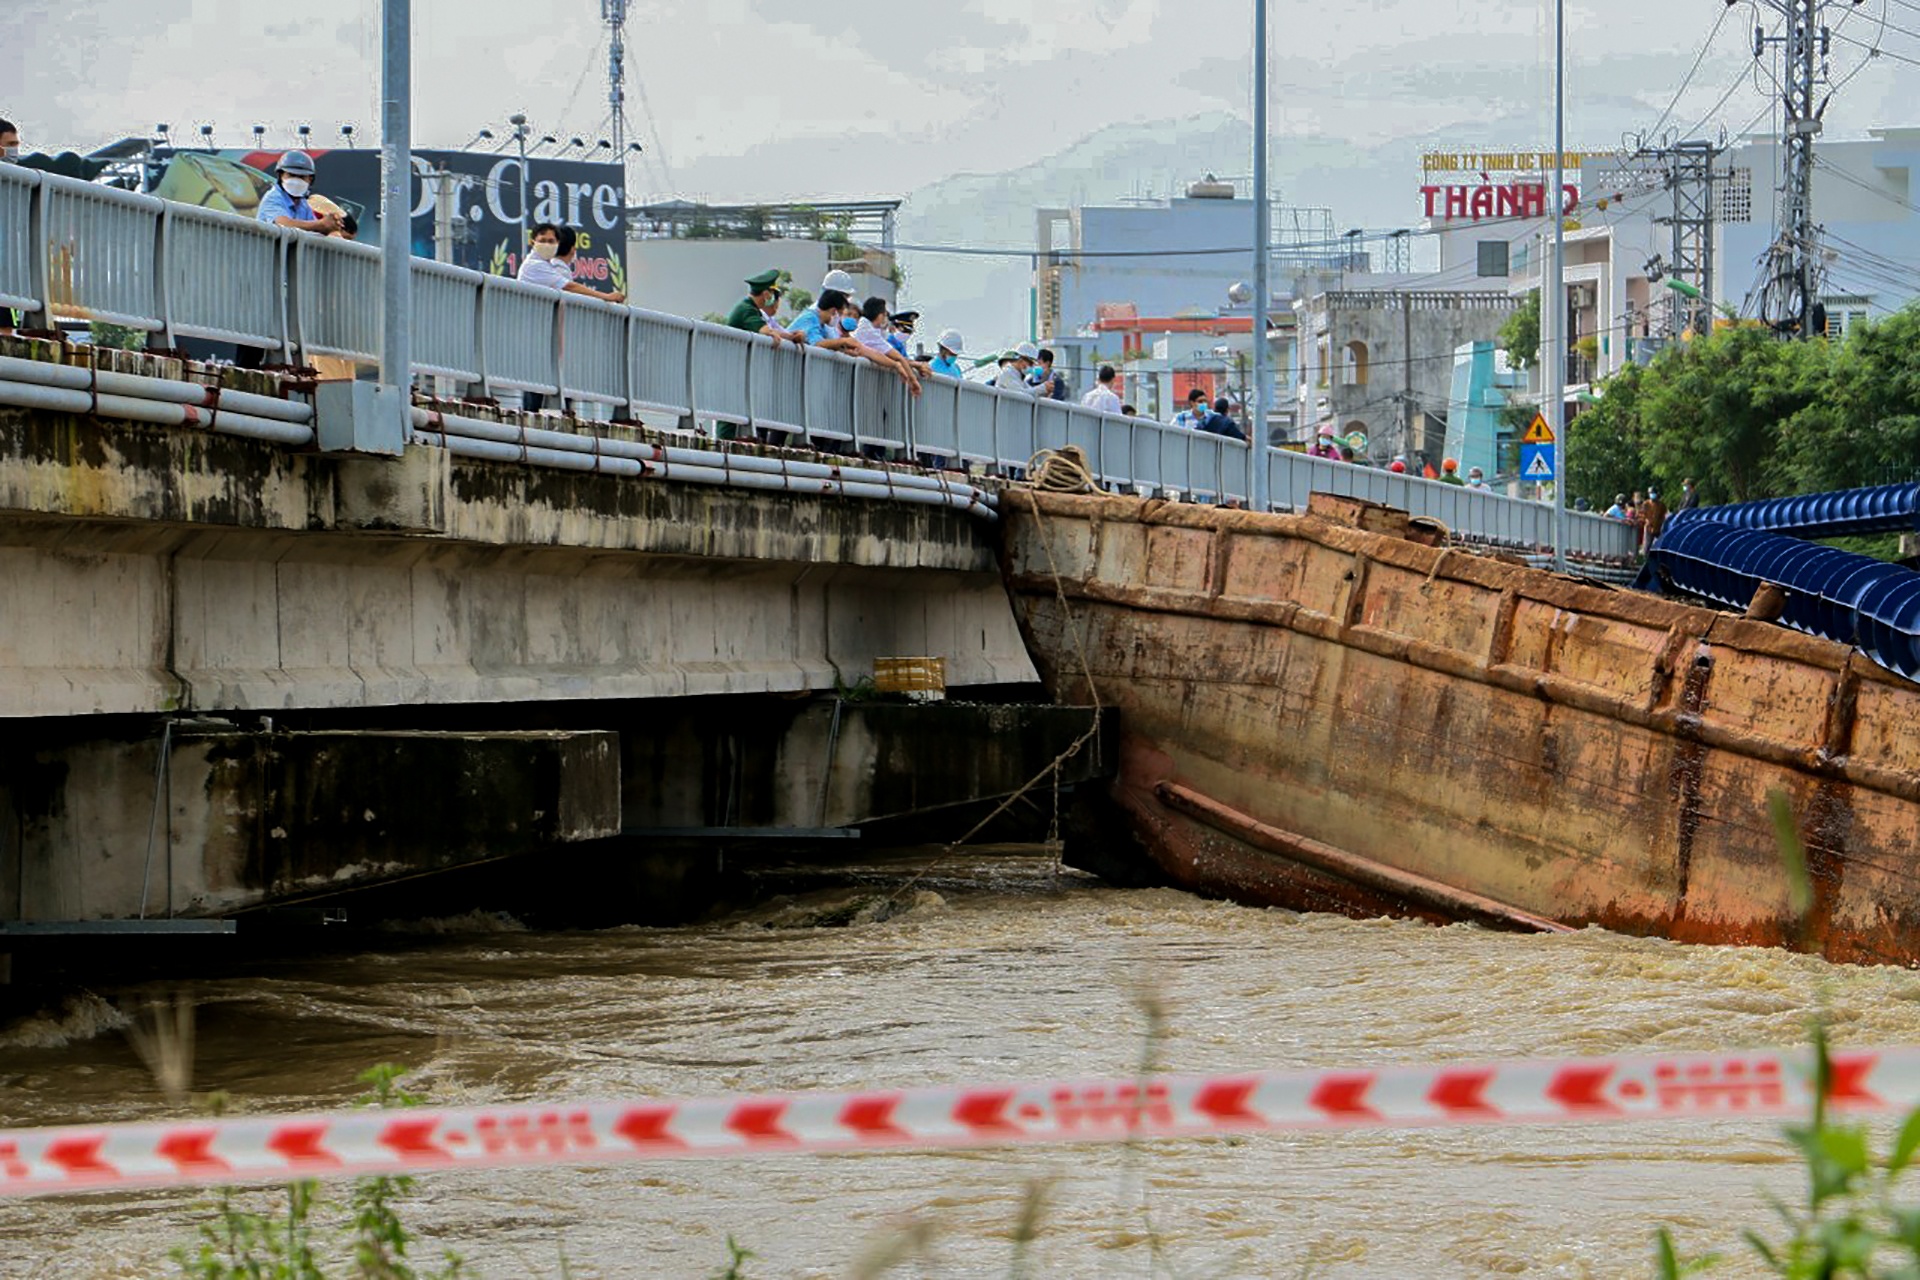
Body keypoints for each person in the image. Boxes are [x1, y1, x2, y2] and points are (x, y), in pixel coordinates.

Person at [256, 151, 341, 234]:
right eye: (291, 175)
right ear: (281, 175)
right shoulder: (273, 197)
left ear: (310, 180)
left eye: (302, 177)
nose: (296, 181)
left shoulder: (303, 204)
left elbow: (314, 227)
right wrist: (321, 224)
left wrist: (330, 226)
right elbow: (282, 224)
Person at [852, 296, 922, 393]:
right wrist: (913, 380)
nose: (886, 319)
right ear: (880, 316)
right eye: (885, 315)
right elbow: (898, 357)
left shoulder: (870, 329)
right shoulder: (868, 331)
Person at [726, 270, 798, 343]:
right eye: (772, 294)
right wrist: (791, 337)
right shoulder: (747, 309)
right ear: (766, 294)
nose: (772, 298)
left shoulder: (751, 307)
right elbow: (765, 330)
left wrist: (792, 336)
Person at [1639, 487, 1669, 553]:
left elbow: (1664, 515)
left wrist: (1661, 523)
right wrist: (1646, 520)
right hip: (1648, 527)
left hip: (1658, 527)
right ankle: (1646, 559)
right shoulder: (1646, 504)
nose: (1652, 495)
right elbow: (1641, 515)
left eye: (1653, 493)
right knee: (1647, 545)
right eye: (1650, 493)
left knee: (1660, 545)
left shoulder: (1661, 505)